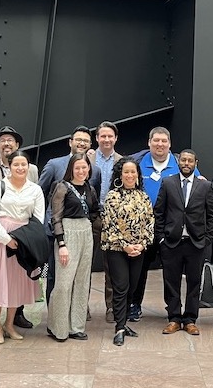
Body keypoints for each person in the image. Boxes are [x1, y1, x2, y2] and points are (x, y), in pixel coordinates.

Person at [0, 150, 45, 344]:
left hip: (24, 239)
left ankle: (10, 324)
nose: (20, 168)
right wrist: (6, 239)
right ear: (10, 166)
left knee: (16, 283)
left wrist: (23, 240)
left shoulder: (35, 190)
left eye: (24, 164)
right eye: (16, 165)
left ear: (28, 167)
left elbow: (38, 218)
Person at [129, 126, 199, 322]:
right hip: (143, 227)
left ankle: (173, 309)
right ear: (149, 143)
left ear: (170, 144)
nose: (160, 144)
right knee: (139, 268)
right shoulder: (138, 163)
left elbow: (197, 188)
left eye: (163, 141)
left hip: (173, 228)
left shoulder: (180, 163)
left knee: (172, 271)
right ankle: (134, 304)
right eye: (156, 140)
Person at [155, 149, 213, 336]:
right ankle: (174, 318)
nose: (186, 163)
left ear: (195, 163)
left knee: (194, 282)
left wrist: (207, 239)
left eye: (190, 161)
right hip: (171, 242)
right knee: (171, 282)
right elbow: (159, 212)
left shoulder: (205, 186)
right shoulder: (168, 183)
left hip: (196, 243)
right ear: (178, 162)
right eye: (183, 160)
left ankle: (190, 319)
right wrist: (161, 238)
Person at [38, 125, 101, 305]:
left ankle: (78, 309)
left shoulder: (94, 170)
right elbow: (39, 192)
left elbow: (92, 199)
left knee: (81, 272)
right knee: (55, 273)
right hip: (56, 230)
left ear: (90, 144)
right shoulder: (54, 164)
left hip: (81, 231)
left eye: (86, 141)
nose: (82, 143)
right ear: (70, 142)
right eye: (78, 140)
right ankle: (55, 312)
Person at [101, 157, 154, 346]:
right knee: (121, 287)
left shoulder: (144, 197)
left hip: (138, 250)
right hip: (117, 249)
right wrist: (125, 245)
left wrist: (142, 244)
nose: (130, 175)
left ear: (138, 175)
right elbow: (109, 225)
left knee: (132, 287)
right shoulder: (112, 196)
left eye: (133, 172)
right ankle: (120, 327)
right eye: (126, 172)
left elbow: (150, 224)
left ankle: (123, 322)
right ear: (120, 175)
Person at [47, 153, 100, 342]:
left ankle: (76, 326)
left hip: (86, 233)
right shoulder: (62, 187)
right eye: (77, 168)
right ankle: (58, 327)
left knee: (82, 282)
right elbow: (56, 217)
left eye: (84, 167)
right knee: (63, 283)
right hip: (67, 234)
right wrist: (61, 243)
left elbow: (94, 213)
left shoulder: (90, 188)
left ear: (88, 169)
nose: (81, 171)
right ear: (71, 169)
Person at [87, 121, 122, 323]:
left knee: (112, 267)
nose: (107, 139)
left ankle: (111, 307)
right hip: (91, 217)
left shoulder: (122, 160)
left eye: (110, 136)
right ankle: (83, 306)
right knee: (86, 265)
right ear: (97, 138)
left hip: (113, 219)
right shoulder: (87, 159)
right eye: (103, 136)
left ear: (115, 138)